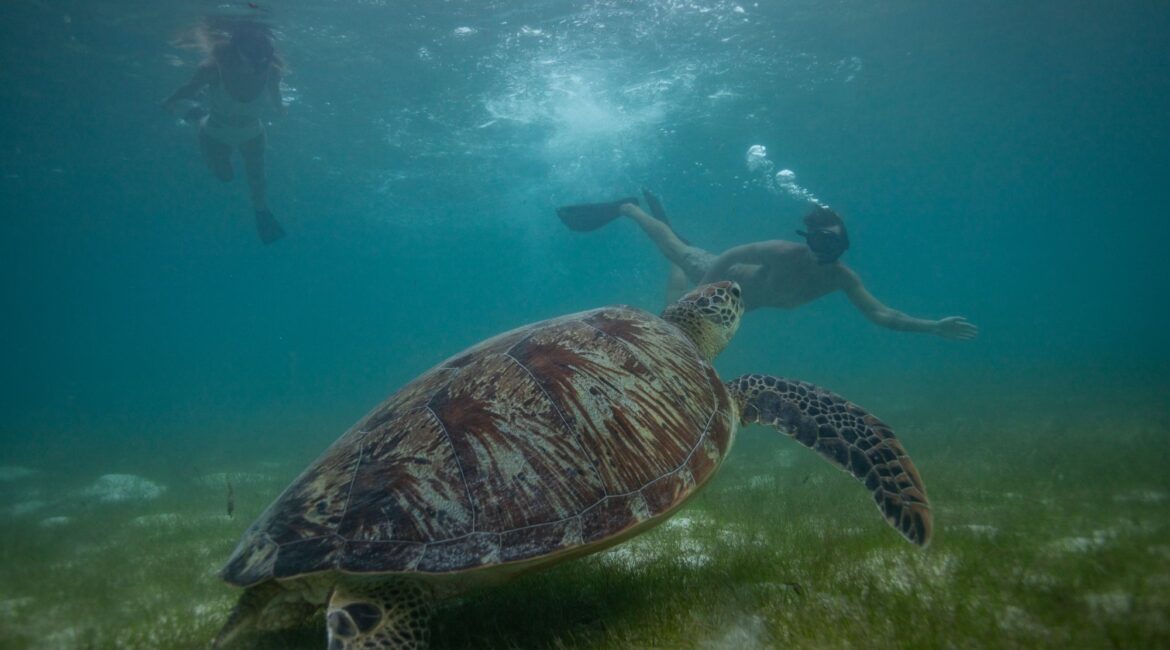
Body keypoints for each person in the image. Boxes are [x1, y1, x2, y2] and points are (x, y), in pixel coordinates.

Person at [558, 190, 978, 340]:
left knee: (674, 300)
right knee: (674, 254)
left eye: (832, 243)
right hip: (723, 283)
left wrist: (933, 327)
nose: (822, 250)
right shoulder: (783, 251)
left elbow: (882, 313)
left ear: (844, 245)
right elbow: (735, 254)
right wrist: (702, 287)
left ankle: (664, 225)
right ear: (806, 239)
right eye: (816, 240)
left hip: (745, 305)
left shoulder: (842, 279)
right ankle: (630, 209)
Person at [162, 18, 287, 244]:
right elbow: (190, 88)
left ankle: (261, 212)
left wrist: (281, 109)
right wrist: (170, 101)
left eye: (263, 51)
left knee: (257, 180)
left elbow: (278, 104)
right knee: (225, 176)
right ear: (236, 49)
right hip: (215, 131)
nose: (257, 59)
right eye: (252, 50)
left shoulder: (271, 71)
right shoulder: (212, 68)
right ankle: (199, 117)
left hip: (253, 131)